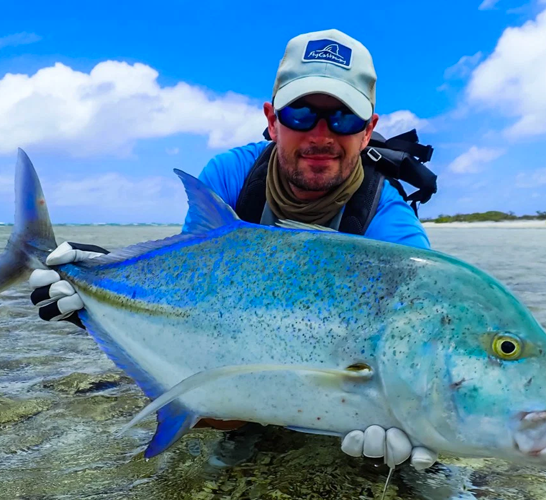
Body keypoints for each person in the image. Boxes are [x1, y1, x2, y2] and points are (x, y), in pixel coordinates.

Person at [28, 29, 435, 472]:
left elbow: (414, 353)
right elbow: (190, 301)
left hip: (329, 398)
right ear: (272, 119)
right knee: (215, 431)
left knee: (416, 475)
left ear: (369, 129)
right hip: (236, 370)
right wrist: (96, 288)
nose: (322, 135)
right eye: (300, 113)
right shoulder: (231, 176)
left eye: (344, 118)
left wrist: (415, 421)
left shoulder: (392, 228)